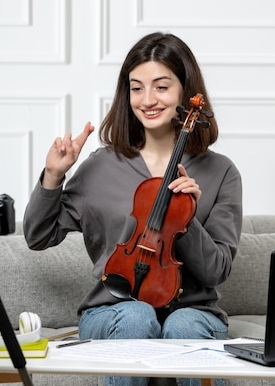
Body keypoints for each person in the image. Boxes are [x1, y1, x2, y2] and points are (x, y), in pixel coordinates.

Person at [23, 32, 243, 386]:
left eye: (161, 86)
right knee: (137, 315)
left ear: (185, 92)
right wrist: (53, 175)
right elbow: (38, 236)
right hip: (112, 309)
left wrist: (185, 216)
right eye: (136, 88)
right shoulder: (101, 166)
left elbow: (217, 271)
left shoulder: (221, 171)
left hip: (194, 311)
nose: (147, 99)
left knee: (183, 324)